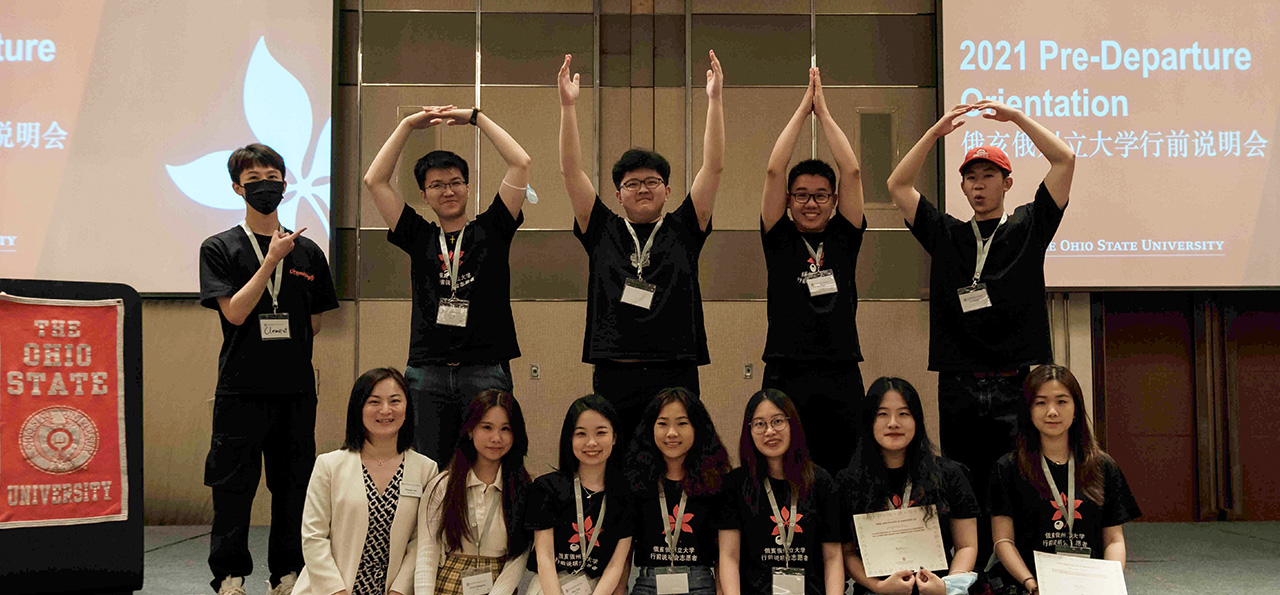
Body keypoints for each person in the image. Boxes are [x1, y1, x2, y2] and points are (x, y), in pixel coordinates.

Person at [885, 99, 1076, 567]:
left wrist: (1016, 119)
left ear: (1007, 183)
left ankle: (1015, 569)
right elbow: (897, 184)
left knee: (1014, 481)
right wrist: (933, 133)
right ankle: (968, 568)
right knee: (962, 482)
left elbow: (1065, 159)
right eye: (971, 176)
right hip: (959, 382)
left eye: (988, 175)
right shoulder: (946, 233)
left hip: (1014, 382)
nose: (978, 184)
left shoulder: (1030, 226)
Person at [556, 51, 724, 443]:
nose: (643, 188)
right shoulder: (600, 228)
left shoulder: (685, 226)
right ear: (617, 194)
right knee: (614, 465)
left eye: (652, 181)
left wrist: (714, 101)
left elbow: (713, 167)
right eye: (632, 183)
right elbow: (570, 170)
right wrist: (568, 107)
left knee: (676, 461)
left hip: (675, 370)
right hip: (616, 370)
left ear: (667, 190)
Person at [199, 143, 340, 595]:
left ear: (285, 182)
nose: (265, 184)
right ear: (237, 187)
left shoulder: (311, 253)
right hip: (240, 390)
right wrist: (271, 261)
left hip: (295, 391)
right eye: (254, 177)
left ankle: (286, 571)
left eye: (273, 176)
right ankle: (229, 573)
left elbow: (314, 323)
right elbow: (235, 313)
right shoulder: (219, 247)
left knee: (294, 488)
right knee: (233, 488)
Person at [362, 104, 532, 463]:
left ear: (468, 188)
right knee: (429, 468)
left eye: (455, 182)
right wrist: (408, 124)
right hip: (427, 373)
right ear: (423, 195)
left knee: (491, 463)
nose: (448, 191)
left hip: (485, 368)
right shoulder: (417, 234)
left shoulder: (493, 229)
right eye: (437, 185)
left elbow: (521, 163)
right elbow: (374, 181)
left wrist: (477, 117)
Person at [760, 66, 867, 474]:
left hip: (840, 367)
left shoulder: (844, 235)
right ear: (788, 200)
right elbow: (773, 170)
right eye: (801, 195)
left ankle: (837, 540)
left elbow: (853, 171)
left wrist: (824, 115)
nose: (811, 203)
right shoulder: (779, 237)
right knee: (783, 464)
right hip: (786, 367)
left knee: (843, 464)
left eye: (821, 195)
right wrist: (802, 111)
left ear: (834, 199)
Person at [988, 365, 1140, 595]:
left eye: (1061, 401)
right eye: (1041, 402)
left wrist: (1109, 584)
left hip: (1089, 584)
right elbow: (1003, 541)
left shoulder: (1103, 467)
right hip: (1028, 584)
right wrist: (1031, 584)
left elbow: (1114, 541)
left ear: (1076, 408)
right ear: (1028, 410)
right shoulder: (1008, 467)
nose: (1052, 411)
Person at [293, 368, 439, 595]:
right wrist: (336, 591)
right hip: (330, 590)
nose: (385, 410)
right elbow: (314, 538)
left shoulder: (426, 469)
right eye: (374, 402)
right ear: (358, 408)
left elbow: (421, 542)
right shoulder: (329, 466)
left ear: (407, 407)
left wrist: (399, 591)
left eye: (395, 401)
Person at [837, 377, 980, 595]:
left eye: (904, 414)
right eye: (882, 414)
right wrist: (880, 587)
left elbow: (967, 546)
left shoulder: (950, 474)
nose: (893, 423)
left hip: (937, 588)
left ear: (917, 420)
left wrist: (945, 586)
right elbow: (847, 553)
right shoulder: (848, 481)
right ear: (869, 421)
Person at [719, 390, 843, 595]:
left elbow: (833, 557)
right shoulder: (736, 483)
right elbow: (729, 556)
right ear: (749, 431)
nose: (769, 431)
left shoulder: (821, 481)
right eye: (760, 424)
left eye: (777, 421)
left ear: (792, 424)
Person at [416, 390, 532, 595]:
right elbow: (427, 553)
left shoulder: (522, 487)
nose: (496, 438)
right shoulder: (443, 485)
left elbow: (519, 556)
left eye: (505, 429)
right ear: (470, 430)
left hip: (499, 587)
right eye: (487, 427)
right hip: (447, 583)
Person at [623, 388, 732, 595]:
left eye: (682, 423)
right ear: (651, 428)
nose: (671, 433)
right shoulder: (636, 481)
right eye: (662, 424)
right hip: (648, 584)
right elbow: (624, 554)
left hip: (700, 584)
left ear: (697, 427)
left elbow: (724, 555)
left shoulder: (717, 482)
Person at [525, 395, 634, 595]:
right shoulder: (546, 487)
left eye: (601, 433)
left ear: (615, 437)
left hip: (599, 587)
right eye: (581, 434)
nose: (591, 442)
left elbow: (615, 565)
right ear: (569, 438)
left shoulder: (625, 493)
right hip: (548, 586)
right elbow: (545, 557)